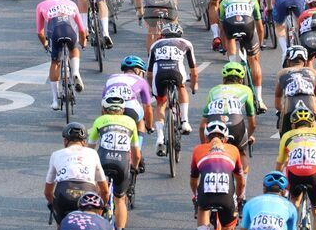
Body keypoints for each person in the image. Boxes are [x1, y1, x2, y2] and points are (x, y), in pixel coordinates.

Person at [191, 121, 245, 230]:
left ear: (207, 138)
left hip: (206, 193)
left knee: (202, 206)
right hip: (226, 195)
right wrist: (239, 197)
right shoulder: (233, 150)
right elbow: (240, 181)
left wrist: (195, 196)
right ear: (225, 138)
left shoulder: (199, 150)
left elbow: (193, 180)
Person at [88, 94, 140, 230]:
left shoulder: (99, 121)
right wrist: (135, 168)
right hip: (122, 164)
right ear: (122, 110)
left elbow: (90, 149)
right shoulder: (131, 123)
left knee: (97, 194)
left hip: (103, 161)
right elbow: (136, 154)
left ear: (104, 109)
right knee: (120, 199)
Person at [44, 122, 110, 227]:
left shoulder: (56, 154)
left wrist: (55, 204)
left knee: (61, 229)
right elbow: (105, 191)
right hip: (87, 192)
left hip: (63, 193)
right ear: (84, 142)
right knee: (90, 228)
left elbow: (48, 192)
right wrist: (102, 206)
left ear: (65, 141)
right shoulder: (92, 153)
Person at [147, 21, 198, 153]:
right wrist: (193, 85)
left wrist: (152, 90)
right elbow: (194, 71)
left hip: (160, 73)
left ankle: (159, 137)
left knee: (160, 104)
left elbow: (149, 73)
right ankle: (185, 121)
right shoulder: (186, 43)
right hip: (177, 71)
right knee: (182, 87)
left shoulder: (155, 45)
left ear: (163, 35)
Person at [218, 0, 267, 112]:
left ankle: (232, 62)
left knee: (230, 39)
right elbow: (259, 26)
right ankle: (260, 99)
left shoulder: (225, 1)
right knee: (254, 61)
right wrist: (261, 43)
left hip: (231, 26)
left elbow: (222, 29)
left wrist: (223, 45)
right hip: (248, 26)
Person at [36, 0, 88, 107]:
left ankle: (55, 100)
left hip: (55, 32)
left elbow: (40, 32)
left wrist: (45, 44)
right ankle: (75, 72)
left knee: (55, 63)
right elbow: (81, 29)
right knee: (74, 50)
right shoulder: (71, 4)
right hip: (69, 31)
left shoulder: (41, 5)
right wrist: (83, 41)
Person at [200, 62, 257, 173]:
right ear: (241, 79)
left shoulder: (214, 90)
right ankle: (242, 185)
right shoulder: (246, 90)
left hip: (214, 125)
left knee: (208, 150)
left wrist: (204, 146)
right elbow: (253, 124)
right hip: (236, 125)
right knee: (241, 153)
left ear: (224, 79)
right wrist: (246, 138)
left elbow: (202, 126)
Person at [103, 56, 154, 171]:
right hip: (130, 108)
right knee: (140, 122)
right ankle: (137, 151)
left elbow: (103, 101)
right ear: (138, 71)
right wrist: (149, 126)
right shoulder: (140, 80)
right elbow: (148, 108)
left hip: (109, 108)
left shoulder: (111, 77)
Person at [274, 46, 316, 136]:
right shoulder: (313, 72)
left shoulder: (282, 73)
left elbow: (277, 99)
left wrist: (281, 112)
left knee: (285, 136)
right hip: (310, 104)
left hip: (290, 105)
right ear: (305, 62)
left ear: (288, 61)